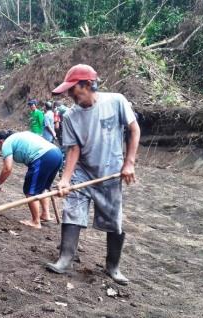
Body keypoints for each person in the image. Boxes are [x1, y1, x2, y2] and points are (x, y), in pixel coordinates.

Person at [45, 64, 140, 286]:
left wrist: (130, 163)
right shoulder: (70, 116)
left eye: (73, 89)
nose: (70, 94)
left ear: (87, 84)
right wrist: (66, 179)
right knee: (72, 211)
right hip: (83, 172)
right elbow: (73, 149)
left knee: (113, 219)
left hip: (110, 172)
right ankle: (65, 258)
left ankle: (113, 266)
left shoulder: (116, 101)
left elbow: (134, 130)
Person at [0, 130, 63, 229]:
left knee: (30, 190)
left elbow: (7, 168)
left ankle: (35, 221)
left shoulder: (6, 143)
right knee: (41, 188)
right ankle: (45, 214)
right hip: (56, 153)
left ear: (0, 141)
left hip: (43, 156)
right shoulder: (19, 136)